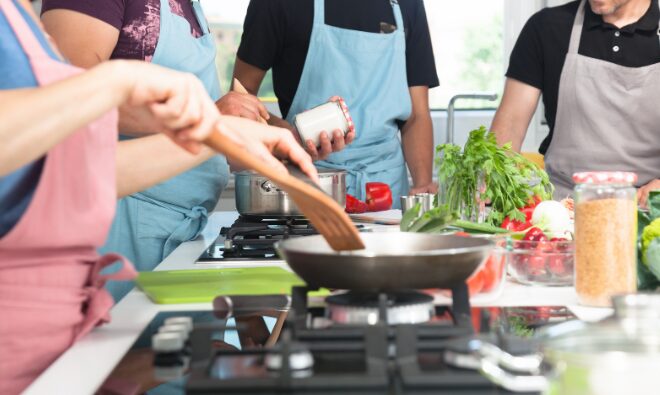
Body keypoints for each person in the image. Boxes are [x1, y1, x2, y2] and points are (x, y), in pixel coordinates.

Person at [0, 0, 314, 392]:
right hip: (114, 242)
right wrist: (118, 84)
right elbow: (64, 137)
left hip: (161, 240)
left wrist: (216, 133)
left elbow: (75, 170)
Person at [40, 0, 277, 301]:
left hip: (178, 230)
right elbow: (70, 97)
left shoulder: (191, 7)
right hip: (120, 225)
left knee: (157, 347)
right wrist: (206, 119)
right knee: (113, 346)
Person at [234, 0, 439, 207]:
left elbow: (416, 115)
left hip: (386, 191)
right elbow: (240, 97)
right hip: (312, 182)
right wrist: (287, 136)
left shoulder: (407, 4)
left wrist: (422, 185)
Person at [490, 0, 660, 205]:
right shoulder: (547, 27)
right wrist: (494, 189)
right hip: (563, 211)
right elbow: (510, 125)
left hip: (648, 214)